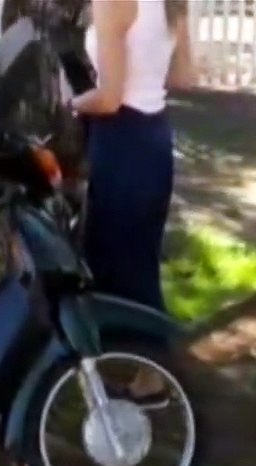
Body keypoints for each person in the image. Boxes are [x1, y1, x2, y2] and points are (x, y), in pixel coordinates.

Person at [72, 0, 197, 402]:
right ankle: (143, 368)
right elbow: (185, 75)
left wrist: (66, 104)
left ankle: (153, 374)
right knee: (134, 257)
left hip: (121, 137)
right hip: (153, 136)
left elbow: (108, 98)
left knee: (119, 259)